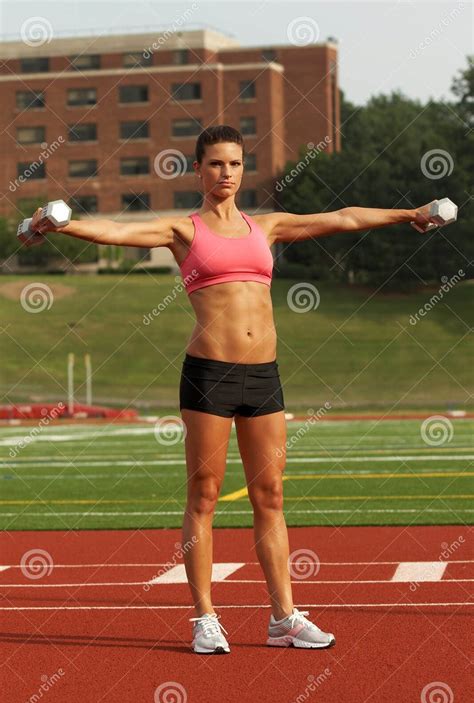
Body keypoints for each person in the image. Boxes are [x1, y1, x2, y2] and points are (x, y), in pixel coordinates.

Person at [30, 125, 433, 655]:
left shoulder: (265, 226)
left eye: (236, 164)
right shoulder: (184, 230)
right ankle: (204, 618)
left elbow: (343, 217)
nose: (226, 173)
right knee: (204, 496)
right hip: (210, 375)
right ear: (199, 170)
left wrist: (410, 215)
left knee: (271, 496)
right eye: (216, 164)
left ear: (244, 170)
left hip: (264, 375)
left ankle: (284, 618)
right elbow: (115, 231)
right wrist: (61, 226)